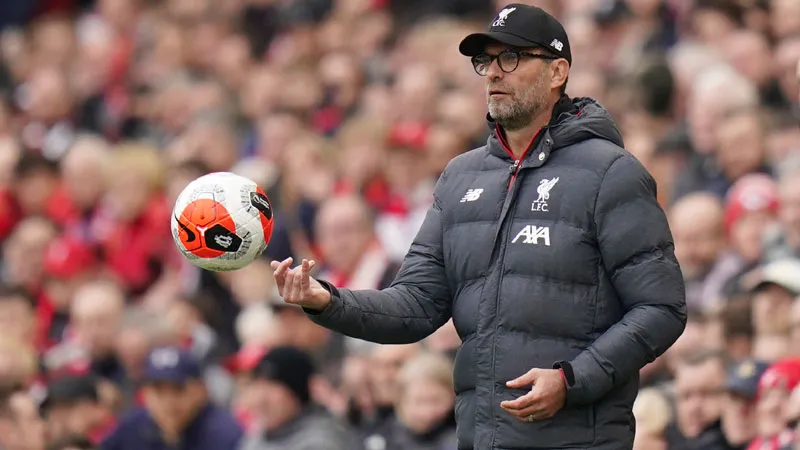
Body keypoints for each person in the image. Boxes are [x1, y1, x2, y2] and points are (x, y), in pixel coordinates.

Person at [270, 4, 687, 449]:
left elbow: (662, 308)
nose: (492, 73)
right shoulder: (460, 176)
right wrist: (325, 299)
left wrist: (571, 379)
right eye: (486, 61)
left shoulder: (611, 173)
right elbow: (415, 305)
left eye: (511, 58)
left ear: (557, 71)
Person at [100, 346, 243, 450]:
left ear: (201, 391)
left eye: (178, 389)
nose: (168, 401)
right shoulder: (133, 427)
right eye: (158, 391)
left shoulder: (225, 435)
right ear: (144, 394)